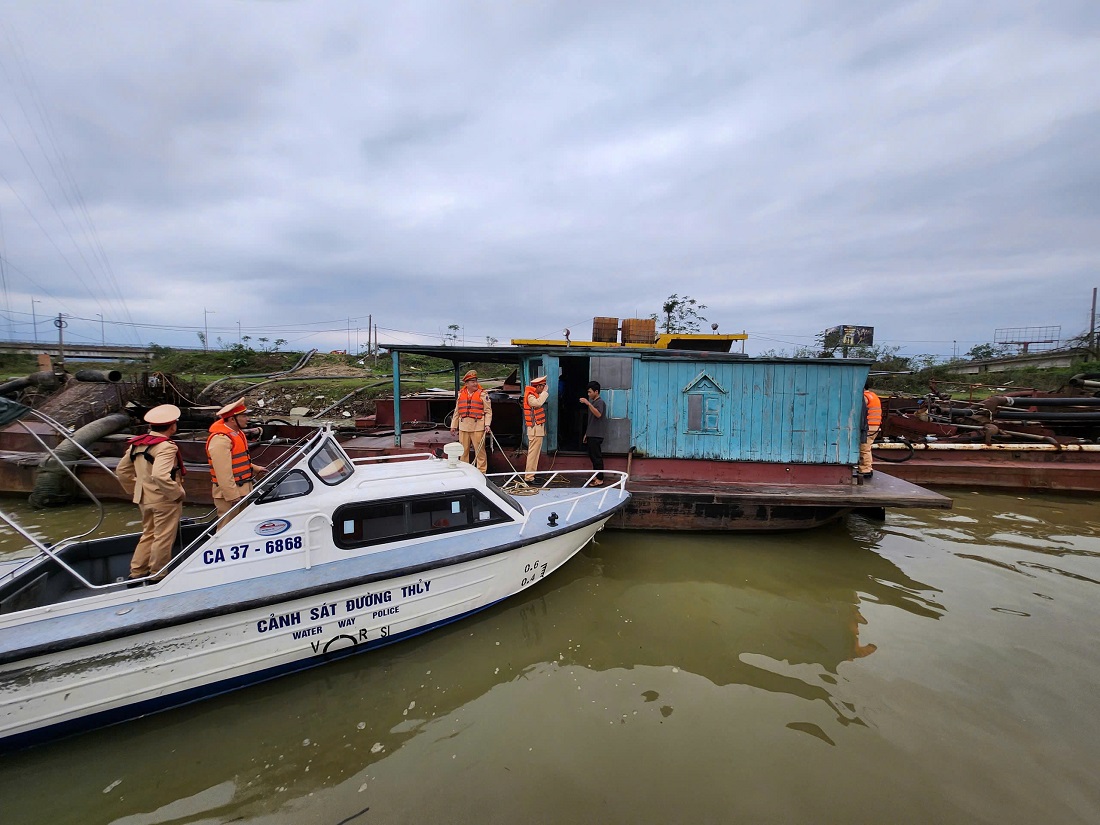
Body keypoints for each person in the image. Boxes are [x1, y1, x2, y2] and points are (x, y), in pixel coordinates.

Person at [115, 404, 186, 583]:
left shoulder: (137, 444)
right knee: (163, 537)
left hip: (144, 499)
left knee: (148, 534)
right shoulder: (166, 447)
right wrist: (177, 493)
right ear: (172, 426)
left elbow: (122, 471)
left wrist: (135, 489)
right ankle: (158, 574)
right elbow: (160, 475)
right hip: (164, 499)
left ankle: (137, 572)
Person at [206, 399, 267, 529]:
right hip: (231, 493)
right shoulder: (221, 439)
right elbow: (223, 472)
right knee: (226, 529)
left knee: (238, 528)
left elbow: (238, 460)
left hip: (242, 488)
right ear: (233, 419)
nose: (247, 419)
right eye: (244, 416)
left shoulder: (236, 434)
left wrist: (255, 468)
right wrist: (232, 496)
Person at [450, 370, 493, 472]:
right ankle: (465, 471)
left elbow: (488, 411)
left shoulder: (483, 394)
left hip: (477, 427)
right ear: (467, 383)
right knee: (463, 451)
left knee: (479, 451)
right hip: (464, 427)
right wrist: (453, 426)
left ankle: (482, 472)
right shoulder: (461, 395)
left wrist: (487, 424)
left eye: (476, 381)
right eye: (472, 382)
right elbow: (457, 411)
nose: (475, 384)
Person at [522, 373, 549, 482]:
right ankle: (529, 477)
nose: (543, 388)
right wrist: (545, 393)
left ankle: (531, 475)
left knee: (535, 454)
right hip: (534, 430)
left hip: (537, 430)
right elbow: (537, 404)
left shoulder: (534, 394)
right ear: (538, 386)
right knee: (533, 455)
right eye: (542, 386)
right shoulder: (530, 396)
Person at [580, 381, 607, 486]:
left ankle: (600, 478)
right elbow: (591, 421)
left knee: (596, 457)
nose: (588, 394)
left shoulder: (600, 402)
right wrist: (587, 433)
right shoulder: (594, 403)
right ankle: (596, 475)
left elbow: (598, 414)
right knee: (592, 456)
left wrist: (588, 403)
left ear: (596, 391)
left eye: (590, 392)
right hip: (592, 433)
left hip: (597, 434)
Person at [859, 380, 882, 478]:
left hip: (867, 426)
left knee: (864, 448)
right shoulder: (873, 395)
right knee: (867, 448)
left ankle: (866, 470)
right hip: (874, 426)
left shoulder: (864, 397)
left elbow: (860, 412)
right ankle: (867, 468)